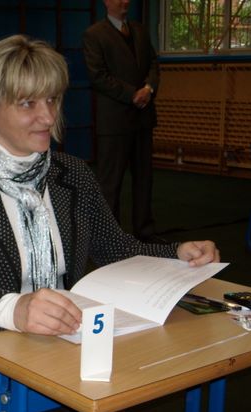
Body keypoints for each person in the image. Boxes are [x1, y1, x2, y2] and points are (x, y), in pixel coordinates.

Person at [0, 34, 219, 412]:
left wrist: (177, 253)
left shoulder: (72, 174)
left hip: (64, 346)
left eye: (53, 99)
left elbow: (116, 248)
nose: (48, 117)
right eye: (28, 104)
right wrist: (17, 308)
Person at [83, 0, 160, 242]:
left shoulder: (140, 30)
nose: (124, 1)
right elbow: (97, 75)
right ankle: (110, 238)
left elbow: (153, 64)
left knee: (144, 179)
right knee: (110, 183)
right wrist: (132, 94)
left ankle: (145, 232)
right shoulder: (94, 34)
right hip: (114, 121)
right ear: (106, 2)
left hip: (143, 118)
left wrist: (148, 88)